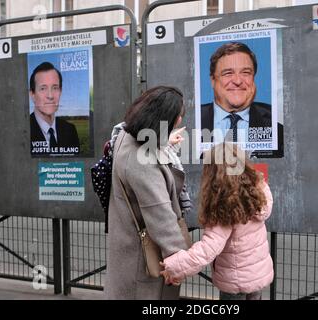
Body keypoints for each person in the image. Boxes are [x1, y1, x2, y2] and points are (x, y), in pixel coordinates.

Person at [104, 86, 191, 300]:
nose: (179, 120)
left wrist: (166, 142)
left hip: (126, 250)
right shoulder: (144, 161)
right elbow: (160, 215)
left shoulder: (124, 135)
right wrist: (178, 261)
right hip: (142, 264)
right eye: (177, 116)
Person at [160, 142, 274, 300]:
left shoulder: (225, 210)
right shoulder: (258, 192)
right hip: (258, 273)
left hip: (235, 281)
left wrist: (173, 267)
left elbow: (206, 250)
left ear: (213, 174)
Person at [200, 42, 283, 156]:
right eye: (228, 73)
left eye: (246, 73)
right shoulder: (193, 120)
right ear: (213, 80)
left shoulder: (275, 125)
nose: (238, 81)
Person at [29, 61, 80, 156]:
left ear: (60, 91)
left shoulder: (70, 130)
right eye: (43, 88)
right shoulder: (24, 129)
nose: (50, 96)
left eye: (55, 88)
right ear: (32, 94)